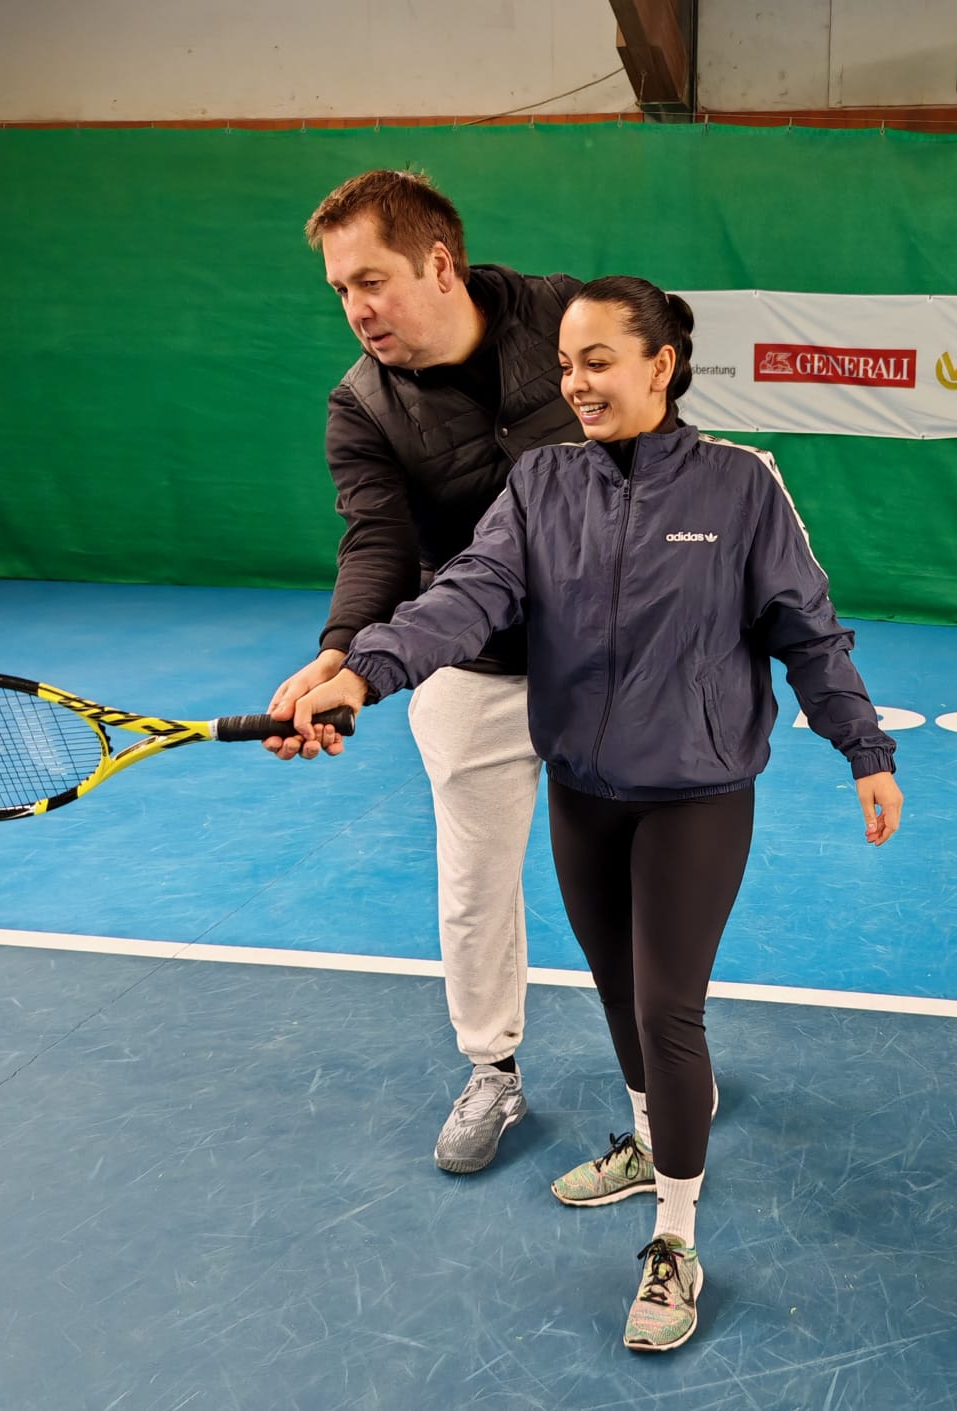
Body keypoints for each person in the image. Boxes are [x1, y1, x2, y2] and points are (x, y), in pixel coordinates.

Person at [290, 275, 903, 1353]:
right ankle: (648, 1135)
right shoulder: (541, 484)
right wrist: (365, 668)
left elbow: (807, 627)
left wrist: (864, 747)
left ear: (661, 365)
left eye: (600, 362)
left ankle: (675, 1237)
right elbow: (467, 594)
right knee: (617, 988)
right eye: (566, 365)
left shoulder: (741, 485)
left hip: (697, 794)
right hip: (585, 788)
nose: (576, 383)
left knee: (668, 1008)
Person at [263, 169, 584, 1175]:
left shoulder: (565, 317)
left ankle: (667, 1057)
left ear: (440, 264)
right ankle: (493, 1069)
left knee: (636, 877)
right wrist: (338, 654)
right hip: (468, 656)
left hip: (610, 659)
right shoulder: (361, 407)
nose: (356, 310)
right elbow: (377, 542)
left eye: (372, 281)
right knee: (474, 884)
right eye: (340, 291)